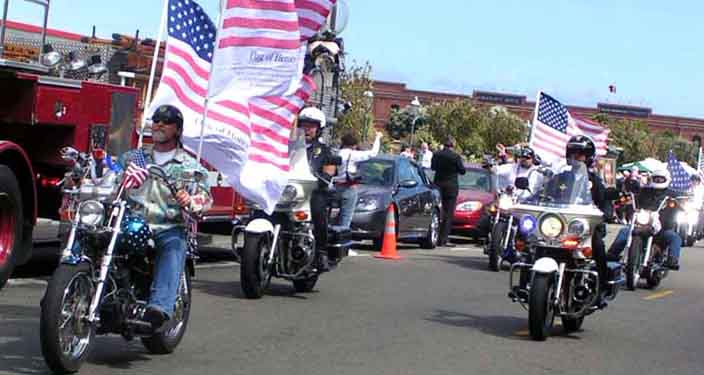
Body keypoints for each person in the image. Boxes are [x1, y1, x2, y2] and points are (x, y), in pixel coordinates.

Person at [119, 105, 212, 331]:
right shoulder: (133, 157)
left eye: (166, 121)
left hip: (166, 226)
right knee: (94, 236)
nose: (159, 124)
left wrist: (190, 201)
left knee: (173, 246)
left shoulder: (191, 167)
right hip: (129, 222)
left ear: (177, 130)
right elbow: (109, 176)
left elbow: (205, 200)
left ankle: (159, 309)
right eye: (156, 119)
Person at [563, 135, 614, 308]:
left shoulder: (595, 181)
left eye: (580, 154)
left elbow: (605, 201)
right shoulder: (561, 177)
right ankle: (526, 283)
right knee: (533, 242)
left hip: (587, 227)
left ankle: (602, 287)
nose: (575, 158)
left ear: (589, 157)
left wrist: (606, 212)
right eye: (572, 154)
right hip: (561, 226)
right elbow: (542, 194)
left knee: (597, 245)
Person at [607, 167, 684, 270]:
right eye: (656, 179)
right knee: (625, 232)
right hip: (642, 223)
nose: (658, 181)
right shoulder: (644, 191)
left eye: (661, 179)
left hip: (661, 228)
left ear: (667, 180)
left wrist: (681, 202)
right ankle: (612, 255)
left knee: (675, 237)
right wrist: (622, 198)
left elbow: (682, 200)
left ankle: (672, 259)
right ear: (651, 179)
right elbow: (632, 196)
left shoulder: (672, 194)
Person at [298, 107, 341, 271]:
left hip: (313, 191)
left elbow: (330, 168)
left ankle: (321, 253)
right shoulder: (289, 147)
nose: (307, 129)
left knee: (318, 208)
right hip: (291, 191)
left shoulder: (324, 150)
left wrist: (326, 177)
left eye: (311, 126)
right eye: (304, 125)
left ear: (319, 129)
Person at [332, 131, 383, 230]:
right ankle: (341, 237)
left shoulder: (337, 153)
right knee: (346, 217)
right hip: (349, 187)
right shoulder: (353, 154)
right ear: (354, 145)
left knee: (333, 215)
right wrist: (377, 138)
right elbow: (373, 153)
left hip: (336, 186)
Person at [431, 137, 466, 247]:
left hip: (438, 184)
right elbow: (462, 171)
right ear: (453, 145)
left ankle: (434, 236)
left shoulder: (436, 154)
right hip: (451, 187)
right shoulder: (455, 156)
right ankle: (443, 239)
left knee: (437, 211)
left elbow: (433, 167)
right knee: (448, 213)